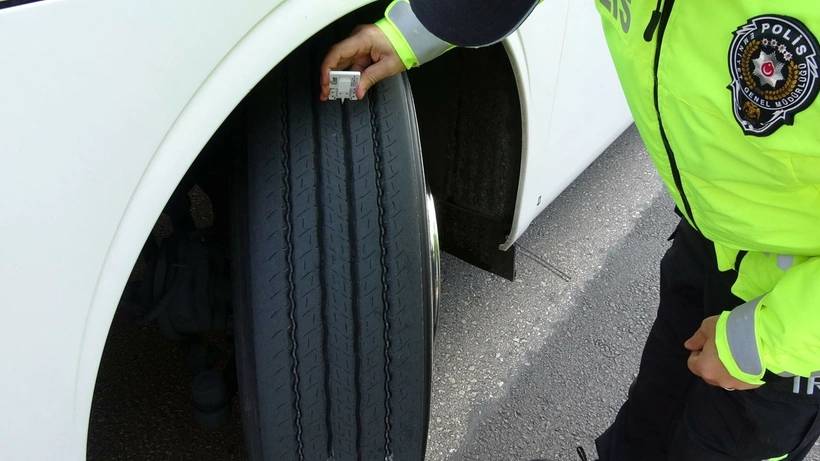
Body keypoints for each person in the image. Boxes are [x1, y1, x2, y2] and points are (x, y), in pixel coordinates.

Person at [320, 1, 820, 459]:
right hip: (710, 241)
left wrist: (762, 341)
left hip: (797, 306)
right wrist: (410, 33)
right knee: (646, 424)